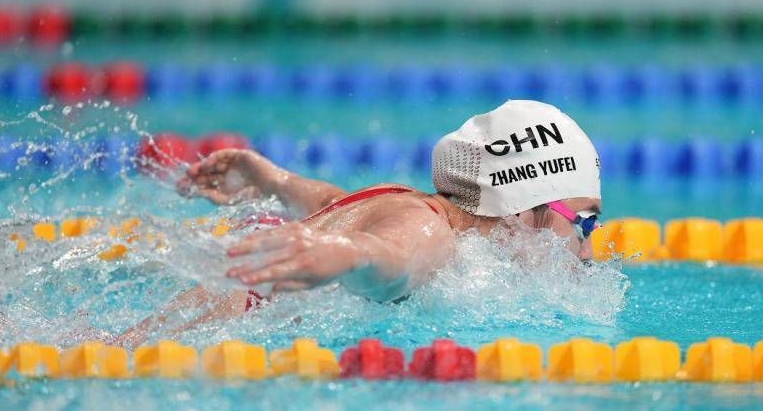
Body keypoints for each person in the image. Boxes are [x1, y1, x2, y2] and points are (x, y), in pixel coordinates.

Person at [115, 100, 602, 346]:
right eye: (583, 223)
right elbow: (393, 260)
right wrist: (348, 257)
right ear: (522, 210)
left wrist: (273, 182)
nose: (588, 248)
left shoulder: (411, 203)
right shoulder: (433, 233)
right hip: (191, 339)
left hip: (175, 324)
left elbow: (336, 202)